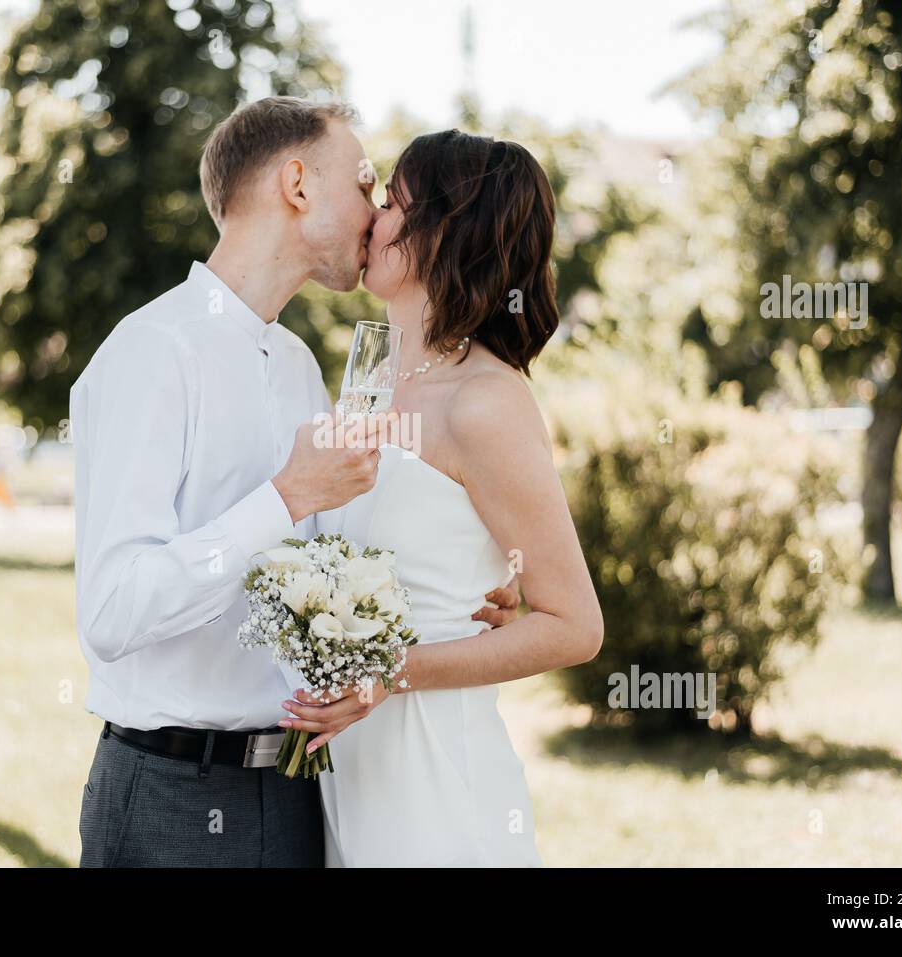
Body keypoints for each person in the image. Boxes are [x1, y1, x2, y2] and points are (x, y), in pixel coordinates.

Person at [71, 99, 518, 867]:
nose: (377, 212)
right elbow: (112, 611)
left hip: (300, 793)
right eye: (365, 183)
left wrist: (464, 594)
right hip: (176, 793)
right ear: (299, 184)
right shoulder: (152, 352)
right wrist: (286, 496)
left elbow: (324, 570)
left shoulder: (305, 369)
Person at [278, 130, 605, 866]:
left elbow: (576, 624)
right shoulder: (370, 382)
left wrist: (387, 673)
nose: (371, 217)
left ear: (445, 232)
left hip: (435, 792)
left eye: (391, 201)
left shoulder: (486, 402)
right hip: (348, 781)